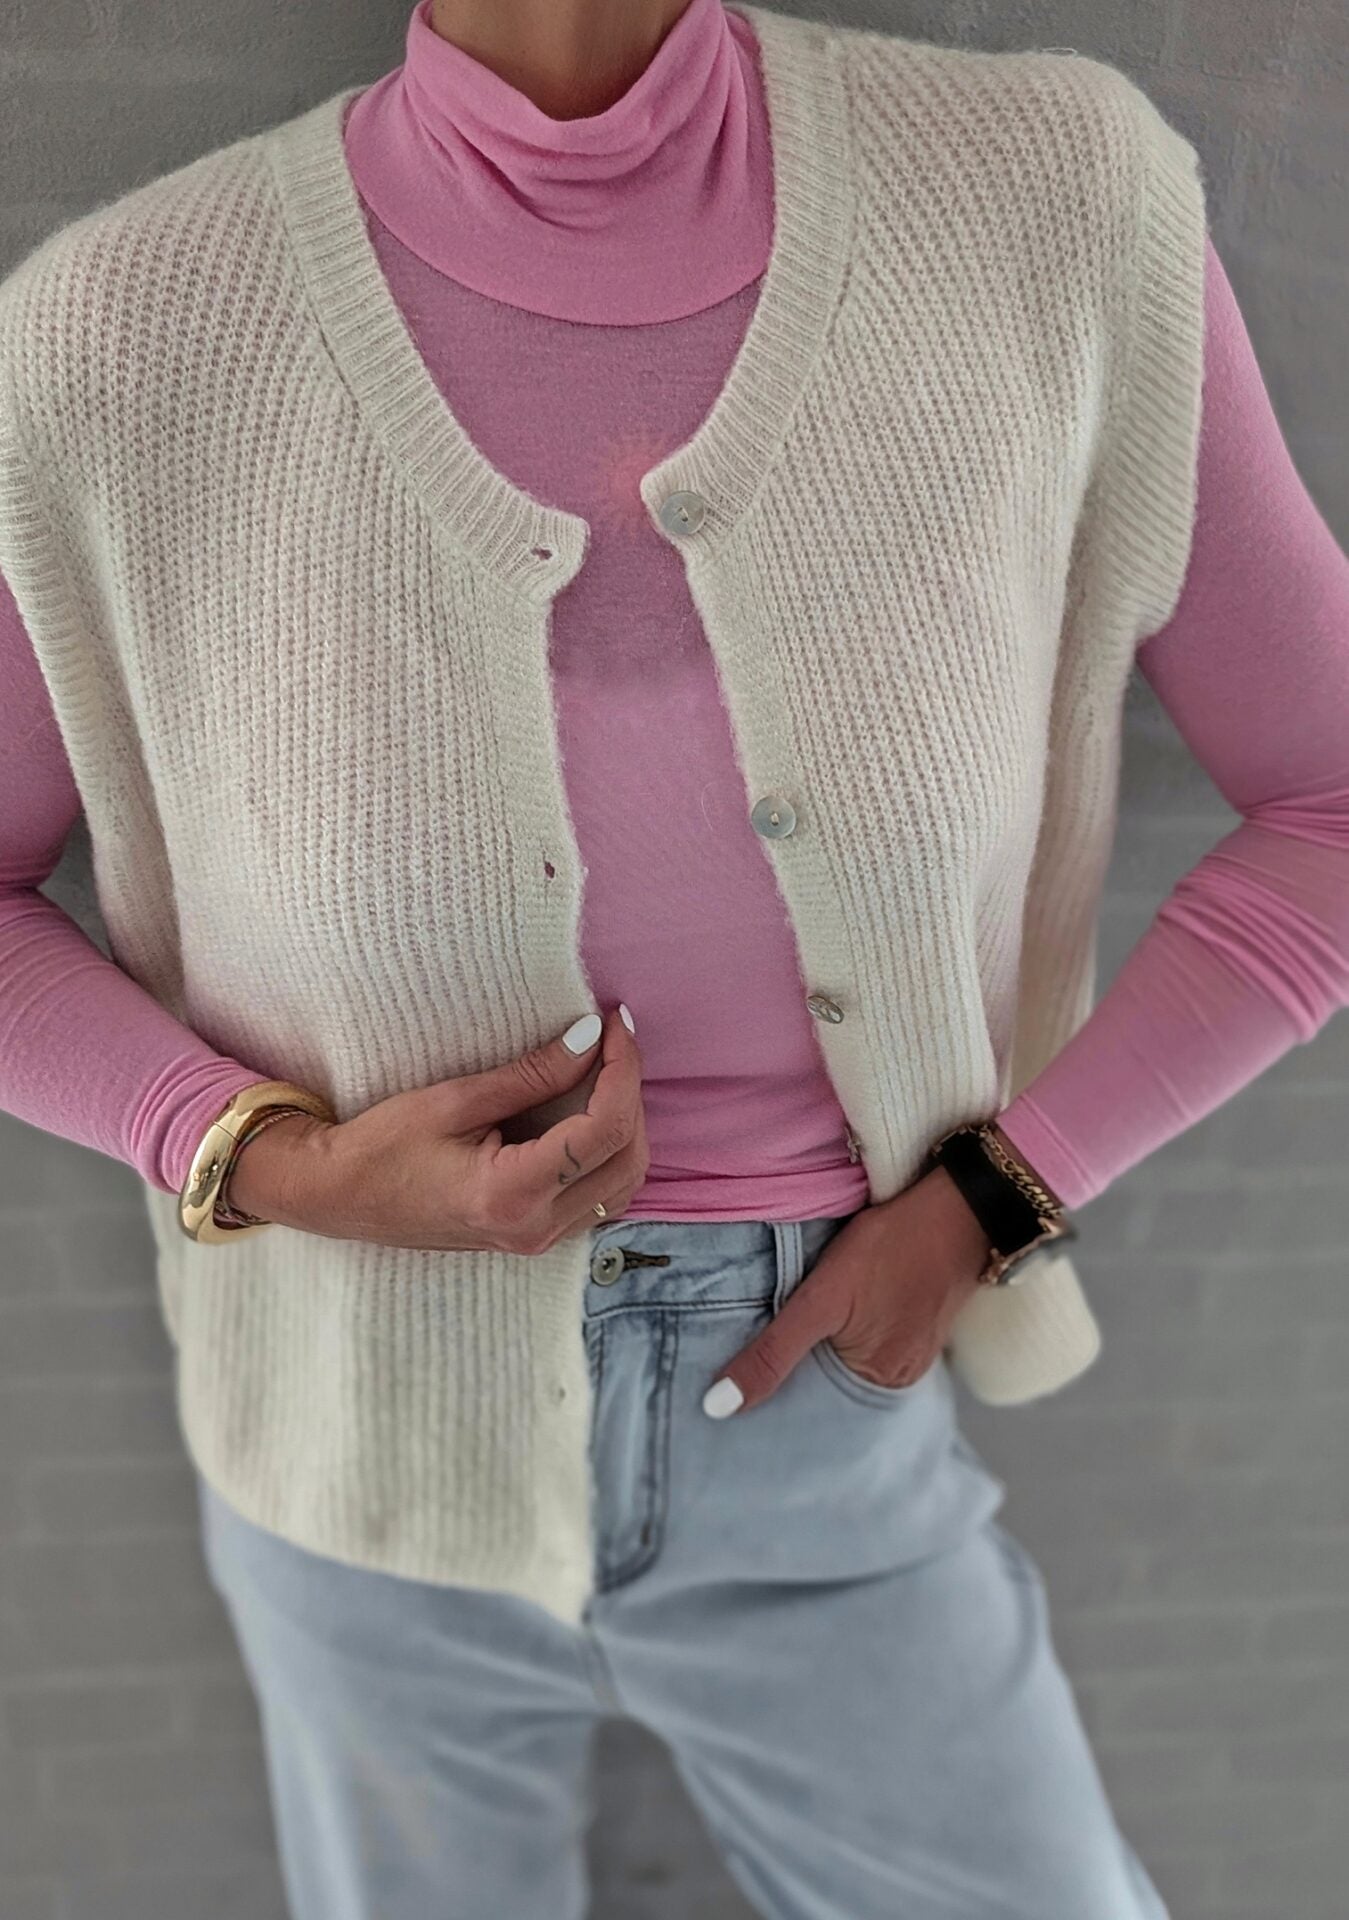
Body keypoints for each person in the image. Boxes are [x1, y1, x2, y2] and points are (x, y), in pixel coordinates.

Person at [2, 1, 1347, 1914]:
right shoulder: (122, 333)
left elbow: (1328, 802)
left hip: (821, 1404)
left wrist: (998, 1193)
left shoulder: (1055, 204)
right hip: (354, 1439)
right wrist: (276, 1163)